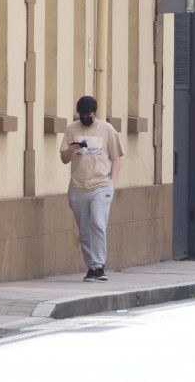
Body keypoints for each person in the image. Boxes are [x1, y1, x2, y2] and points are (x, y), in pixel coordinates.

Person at [59, 95, 124, 282]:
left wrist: (112, 181)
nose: (85, 118)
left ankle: (100, 264)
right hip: (78, 186)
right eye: (82, 115)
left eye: (89, 114)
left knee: (98, 222)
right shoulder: (72, 129)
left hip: (101, 185)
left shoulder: (107, 129)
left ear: (95, 112)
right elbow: (63, 159)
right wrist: (71, 150)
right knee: (84, 229)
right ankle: (91, 266)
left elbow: (117, 157)